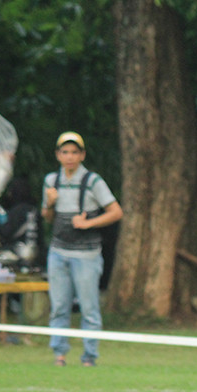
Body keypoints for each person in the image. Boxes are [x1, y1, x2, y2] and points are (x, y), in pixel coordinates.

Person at [42, 131, 123, 367]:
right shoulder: (51, 181)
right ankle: (59, 354)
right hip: (58, 252)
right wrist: (49, 203)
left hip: (87, 254)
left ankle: (89, 356)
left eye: (74, 152)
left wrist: (88, 223)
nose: (69, 157)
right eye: (65, 152)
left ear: (82, 155)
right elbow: (47, 218)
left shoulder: (93, 181)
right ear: (58, 155)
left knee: (89, 307)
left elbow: (116, 212)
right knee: (58, 306)